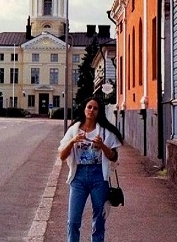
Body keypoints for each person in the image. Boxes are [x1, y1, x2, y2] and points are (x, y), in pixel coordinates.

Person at [58, 96, 123, 242]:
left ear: (99, 112)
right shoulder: (74, 130)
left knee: (99, 219)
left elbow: (114, 157)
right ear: (84, 108)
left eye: (95, 108)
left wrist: (103, 146)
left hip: (99, 176)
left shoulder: (106, 132)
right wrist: (72, 141)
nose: (91, 110)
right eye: (89, 107)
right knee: (73, 220)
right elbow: (62, 156)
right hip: (78, 177)